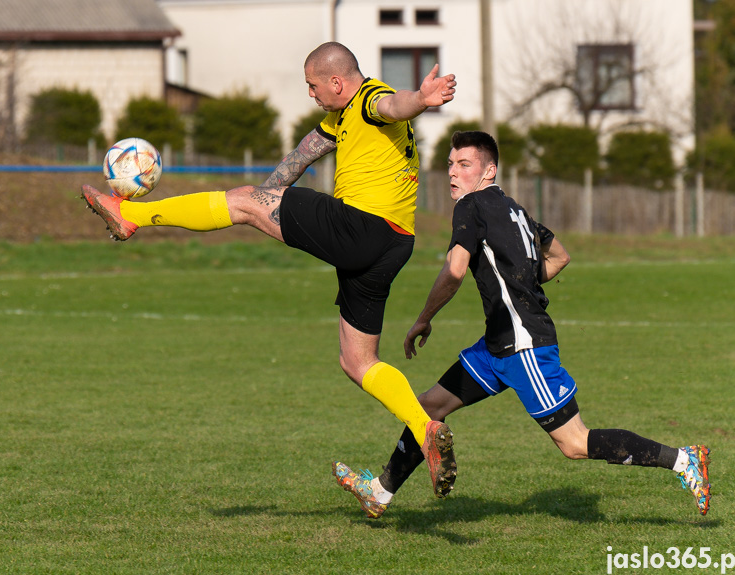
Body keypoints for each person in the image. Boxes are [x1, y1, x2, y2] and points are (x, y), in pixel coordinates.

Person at [81, 42, 459, 497]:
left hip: (362, 226)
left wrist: (422, 98)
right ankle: (424, 429)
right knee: (358, 361)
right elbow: (306, 151)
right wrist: (267, 199)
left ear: (337, 83)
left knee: (241, 201)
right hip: (394, 243)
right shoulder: (341, 114)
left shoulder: (367, 99)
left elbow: (394, 106)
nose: (312, 95)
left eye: (314, 86)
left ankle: (132, 216)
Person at [332, 130, 711, 519]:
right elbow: (559, 257)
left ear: (488, 170)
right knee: (427, 408)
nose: (453, 173)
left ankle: (683, 459)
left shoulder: (470, 206)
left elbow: (455, 270)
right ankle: (380, 491)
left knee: (574, 442)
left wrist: (424, 318)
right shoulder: (515, 210)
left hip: (523, 344)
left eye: (464, 164)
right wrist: (523, 283)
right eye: (449, 164)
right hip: (496, 343)